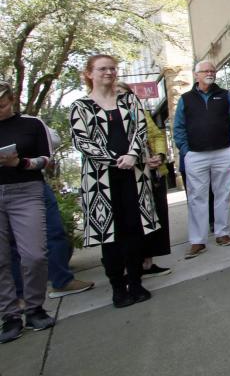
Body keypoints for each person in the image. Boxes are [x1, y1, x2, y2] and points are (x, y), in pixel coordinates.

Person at [70, 55, 158, 309]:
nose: (109, 72)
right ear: (89, 73)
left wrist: (132, 155)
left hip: (134, 175)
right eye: (102, 69)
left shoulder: (129, 100)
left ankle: (137, 282)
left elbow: (141, 129)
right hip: (100, 182)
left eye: (112, 68)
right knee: (110, 236)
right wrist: (114, 159)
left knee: (134, 231)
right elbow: (81, 140)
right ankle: (118, 288)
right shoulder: (81, 106)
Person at [9, 122, 96, 299]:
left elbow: (51, 143)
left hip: (32, 184)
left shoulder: (28, 122)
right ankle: (20, 296)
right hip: (9, 190)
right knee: (12, 246)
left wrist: (22, 160)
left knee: (53, 232)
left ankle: (61, 281)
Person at [0, 80, 57, 343]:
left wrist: (19, 162)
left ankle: (34, 307)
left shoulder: (32, 124)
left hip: (25, 191)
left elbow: (47, 159)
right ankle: (9, 315)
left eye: (2, 103)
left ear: (12, 99)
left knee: (34, 254)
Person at [174, 61, 230, 258]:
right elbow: (178, 126)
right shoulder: (186, 99)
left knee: (222, 193)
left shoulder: (224, 95)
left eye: (213, 70)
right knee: (197, 197)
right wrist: (185, 150)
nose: (210, 73)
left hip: (224, 152)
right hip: (195, 154)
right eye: (206, 71)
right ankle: (197, 240)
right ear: (196, 75)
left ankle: (222, 233)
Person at [115, 82, 171, 279]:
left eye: (123, 93)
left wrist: (160, 155)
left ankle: (148, 262)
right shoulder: (106, 116)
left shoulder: (139, 111)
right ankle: (131, 265)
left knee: (156, 217)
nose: (120, 97)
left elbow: (156, 135)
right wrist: (139, 160)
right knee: (132, 222)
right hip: (129, 176)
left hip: (153, 173)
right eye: (115, 94)